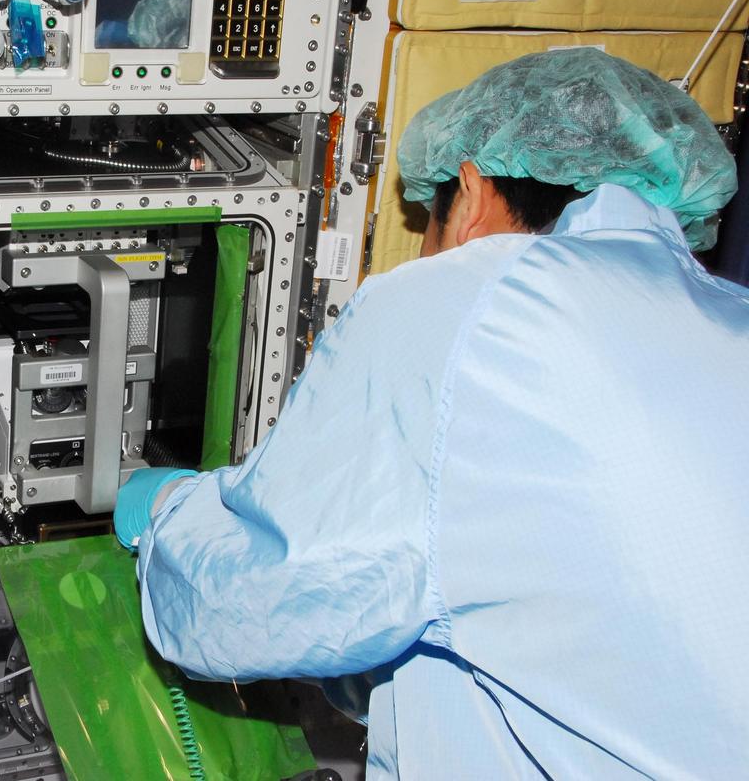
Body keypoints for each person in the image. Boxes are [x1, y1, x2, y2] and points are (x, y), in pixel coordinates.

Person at [114, 48, 749, 778]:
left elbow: (235, 610)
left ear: (471, 195)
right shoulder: (728, 318)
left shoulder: (473, 304)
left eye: (427, 220)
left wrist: (169, 515)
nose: (424, 246)